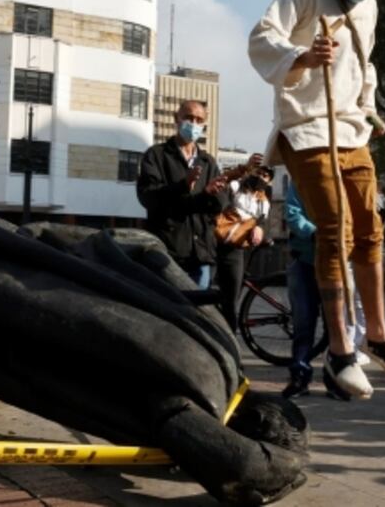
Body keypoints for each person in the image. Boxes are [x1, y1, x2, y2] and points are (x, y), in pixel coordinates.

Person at [248, 0, 385, 399]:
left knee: (369, 229)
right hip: (307, 127)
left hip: (350, 127)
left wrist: (370, 109)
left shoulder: (370, 6)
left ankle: (379, 336)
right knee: (334, 228)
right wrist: (302, 57)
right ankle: (340, 351)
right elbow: (262, 38)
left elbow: (366, 65)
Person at [137, 100, 227, 289]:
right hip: (167, 251)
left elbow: (221, 204)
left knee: (197, 311)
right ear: (176, 119)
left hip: (200, 252)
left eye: (199, 119)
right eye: (188, 117)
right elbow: (148, 197)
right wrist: (183, 185)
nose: (193, 124)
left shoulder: (207, 161)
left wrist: (213, 194)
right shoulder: (156, 155)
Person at [216, 162, 273, 330]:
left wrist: (259, 227)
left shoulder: (264, 203)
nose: (261, 178)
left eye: (265, 176)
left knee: (232, 295)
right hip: (223, 242)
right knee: (222, 292)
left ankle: (229, 333)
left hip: (243, 247)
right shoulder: (236, 187)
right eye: (259, 173)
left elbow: (263, 222)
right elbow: (222, 188)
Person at [282, 185, 322, 398]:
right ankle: (299, 375)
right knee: (303, 320)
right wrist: (313, 232)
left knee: (338, 324)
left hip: (335, 260)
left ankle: (336, 378)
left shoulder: (342, 180)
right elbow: (292, 213)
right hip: (305, 259)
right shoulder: (300, 182)